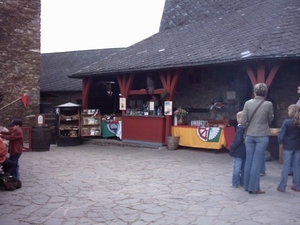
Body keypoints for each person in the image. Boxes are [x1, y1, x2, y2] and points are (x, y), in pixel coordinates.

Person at [241, 83, 274, 194]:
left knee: (248, 161)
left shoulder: (247, 103)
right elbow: (270, 119)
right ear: (265, 93)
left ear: (254, 92)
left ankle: (246, 185)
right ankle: (254, 187)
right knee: (257, 162)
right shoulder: (268, 104)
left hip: (249, 134)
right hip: (262, 135)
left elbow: (243, 121)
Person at [277, 104, 300, 192]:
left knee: (286, 165)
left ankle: (282, 186)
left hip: (288, 146)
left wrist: (280, 142)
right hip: (298, 146)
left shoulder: (287, 122)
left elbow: (281, 135)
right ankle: (297, 185)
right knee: (297, 165)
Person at [229, 111, 246, 188]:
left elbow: (237, 139)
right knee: (243, 168)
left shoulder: (240, 128)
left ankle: (235, 183)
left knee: (237, 168)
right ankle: (243, 182)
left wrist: (232, 146)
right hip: (245, 150)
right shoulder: (247, 127)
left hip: (238, 150)